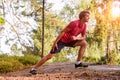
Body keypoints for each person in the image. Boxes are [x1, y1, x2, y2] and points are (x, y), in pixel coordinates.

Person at [30, 10, 90, 75]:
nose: (89, 18)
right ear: (82, 17)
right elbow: (63, 32)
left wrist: (76, 38)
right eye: (87, 16)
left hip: (71, 41)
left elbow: (83, 37)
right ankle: (34, 68)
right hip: (62, 41)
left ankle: (78, 63)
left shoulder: (84, 26)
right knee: (50, 56)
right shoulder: (74, 23)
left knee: (84, 43)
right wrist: (55, 42)